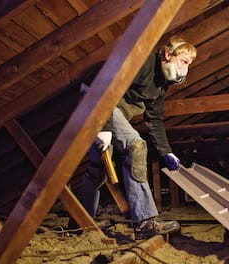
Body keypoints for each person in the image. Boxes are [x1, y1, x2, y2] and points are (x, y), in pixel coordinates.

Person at [71, 35, 197, 239]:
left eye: (189, 64)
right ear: (167, 55)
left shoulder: (160, 85)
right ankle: (145, 222)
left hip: (111, 110)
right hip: (95, 99)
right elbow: (106, 87)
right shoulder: (143, 62)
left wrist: (167, 152)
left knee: (98, 170)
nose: (186, 68)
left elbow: (154, 119)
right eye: (184, 61)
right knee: (137, 145)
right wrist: (103, 126)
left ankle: (79, 220)